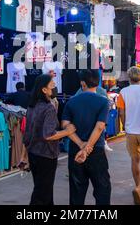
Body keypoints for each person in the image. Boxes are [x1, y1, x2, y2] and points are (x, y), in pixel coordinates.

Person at [22, 74, 76, 205]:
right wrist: (67, 131)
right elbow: (49, 135)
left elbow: (27, 134)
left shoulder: (32, 106)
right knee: (42, 193)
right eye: (52, 84)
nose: (54, 87)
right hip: (46, 155)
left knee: (43, 190)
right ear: (44, 90)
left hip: (33, 153)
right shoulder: (48, 108)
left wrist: (24, 156)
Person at [61, 69, 111, 205]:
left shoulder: (72, 101)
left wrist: (81, 145)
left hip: (75, 150)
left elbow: (66, 125)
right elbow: (100, 127)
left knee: (77, 191)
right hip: (96, 150)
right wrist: (87, 147)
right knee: (102, 189)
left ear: (82, 84)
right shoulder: (103, 102)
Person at [116, 67, 140, 205]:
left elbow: (121, 112)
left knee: (134, 160)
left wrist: (125, 126)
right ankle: (139, 188)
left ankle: (138, 187)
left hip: (130, 132)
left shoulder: (123, 92)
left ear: (129, 77)